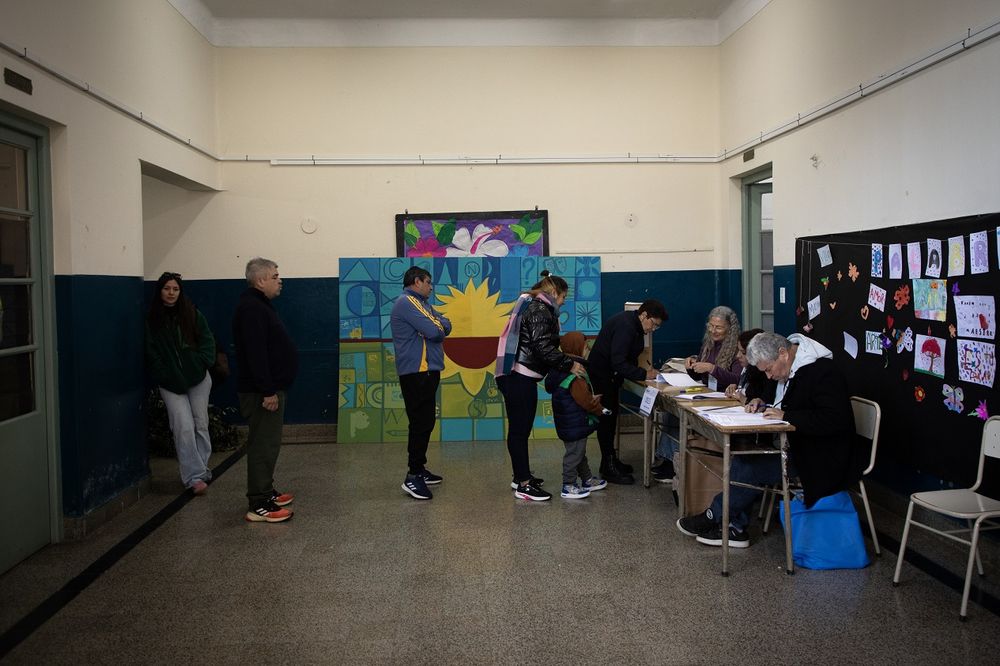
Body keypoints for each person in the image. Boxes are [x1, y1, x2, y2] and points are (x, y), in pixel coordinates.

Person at [676, 332, 859, 548]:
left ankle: (717, 518)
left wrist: (787, 415)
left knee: (748, 466)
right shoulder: (792, 368)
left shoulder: (823, 373)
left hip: (821, 456)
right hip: (798, 446)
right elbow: (788, 403)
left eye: (769, 370)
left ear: (782, 353)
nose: (769, 377)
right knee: (744, 457)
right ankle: (732, 525)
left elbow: (835, 419)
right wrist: (763, 402)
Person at [495, 271, 585, 501]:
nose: (563, 303)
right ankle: (524, 485)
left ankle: (520, 476)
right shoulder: (539, 310)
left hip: (517, 376)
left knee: (519, 429)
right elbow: (542, 347)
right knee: (519, 430)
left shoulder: (533, 306)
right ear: (554, 293)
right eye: (563, 297)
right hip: (519, 377)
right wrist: (569, 364)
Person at [233, 257, 299, 523]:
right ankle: (259, 503)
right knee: (263, 445)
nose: (279, 280)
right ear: (260, 280)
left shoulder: (260, 306)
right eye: (274, 276)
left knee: (268, 444)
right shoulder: (251, 309)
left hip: (268, 388)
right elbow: (256, 354)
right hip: (262, 392)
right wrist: (268, 391)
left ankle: (265, 490)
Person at [145, 271, 216, 495]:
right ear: (160, 291)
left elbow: (207, 340)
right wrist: (164, 374)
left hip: (198, 379)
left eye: (175, 289)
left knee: (200, 423)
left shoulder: (192, 313)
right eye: (167, 289)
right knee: (183, 427)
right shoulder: (152, 320)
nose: (171, 293)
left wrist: (202, 361)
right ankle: (193, 477)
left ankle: (201, 469)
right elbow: (151, 352)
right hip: (170, 383)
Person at [588, 300, 667, 484]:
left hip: (609, 377)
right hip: (602, 376)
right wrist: (644, 374)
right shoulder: (626, 326)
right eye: (653, 324)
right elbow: (618, 361)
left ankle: (610, 460)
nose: (652, 329)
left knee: (611, 418)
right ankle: (608, 467)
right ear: (644, 315)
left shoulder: (633, 324)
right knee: (606, 420)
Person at [390, 266, 452, 500]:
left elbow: (445, 324)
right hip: (417, 371)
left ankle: (420, 468)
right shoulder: (408, 302)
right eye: (428, 282)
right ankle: (413, 475)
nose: (430, 286)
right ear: (417, 281)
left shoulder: (422, 304)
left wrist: (438, 322)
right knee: (419, 422)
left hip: (427, 370)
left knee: (426, 421)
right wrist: (437, 323)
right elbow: (435, 331)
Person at [544, 332, 610, 499]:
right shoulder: (576, 374)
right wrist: (599, 408)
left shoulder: (561, 370)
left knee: (578, 452)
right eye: (585, 346)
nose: (587, 349)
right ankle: (569, 485)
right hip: (575, 422)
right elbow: (585, 401)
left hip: (568, 422)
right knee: (574, 454)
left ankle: (587, 479)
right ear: (577, 348)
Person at [685, 305, 743, 391]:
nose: (713, 331)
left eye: (718, 327)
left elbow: (738, 380)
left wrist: (712, 369)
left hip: (726, 396)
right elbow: (699, 376)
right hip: (709, 393)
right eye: (711, 326)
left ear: (730, 329)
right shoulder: (708, 344)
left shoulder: (738, 348)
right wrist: (692, 367)